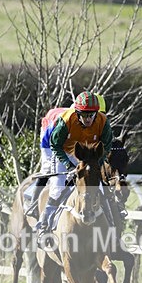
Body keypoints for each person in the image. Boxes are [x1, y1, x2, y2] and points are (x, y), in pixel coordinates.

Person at [36, 91, 112, 233]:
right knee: (58, 187)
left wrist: (97, 163)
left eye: (91, 115)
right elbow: (55, 145)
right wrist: (67, 164)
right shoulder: (66, 120)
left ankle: (111, 223)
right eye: (84, 115)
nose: (88, 119)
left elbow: (107, 146)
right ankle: (44, 225)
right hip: (64, 151)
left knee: (101, 188)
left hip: (87, 155)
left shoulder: (103, 121)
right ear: (77, 113)